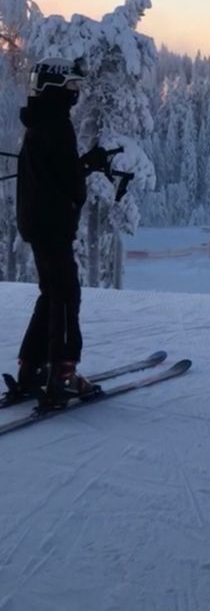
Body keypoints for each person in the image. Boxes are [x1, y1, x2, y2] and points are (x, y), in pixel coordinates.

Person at [15, 57, 105, 406]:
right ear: (54, 87)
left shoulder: (39, 123)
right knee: (66, 295)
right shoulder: (57, 126)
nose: (76, 93)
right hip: (52, 225)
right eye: (71, 86)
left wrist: (82, 164)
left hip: (37, 223)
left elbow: (55, 173)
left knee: (51, 293)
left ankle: (32, 366)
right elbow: (71, 185)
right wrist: (89, 165)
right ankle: (62, 372)